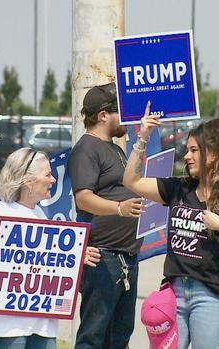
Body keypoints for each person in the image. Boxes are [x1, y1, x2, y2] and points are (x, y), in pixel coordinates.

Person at [123, 102, 219, 349]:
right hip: (174, 293)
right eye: (186, 150)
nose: (186, 156)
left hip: (213, 296)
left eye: (193, 150)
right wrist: (142, 137)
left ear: (212, 154)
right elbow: (131, 180)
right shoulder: (178, 189)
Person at [0, 147, 101, 349]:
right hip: (5, 327)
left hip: (42, 324)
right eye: (47, 175)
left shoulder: (40, 213)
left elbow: (47, 259)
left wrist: (75, 255)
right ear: (28, 182)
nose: (53, 180)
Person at [68, 82, 146, 349]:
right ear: (103, 115)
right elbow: (83, 198)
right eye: (120, 112)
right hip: (102, 256)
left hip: (126, 255)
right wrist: (119, 209)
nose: (126, 118)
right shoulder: (86, 149)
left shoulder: (115, 148)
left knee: (120, 335)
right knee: (94, 334)